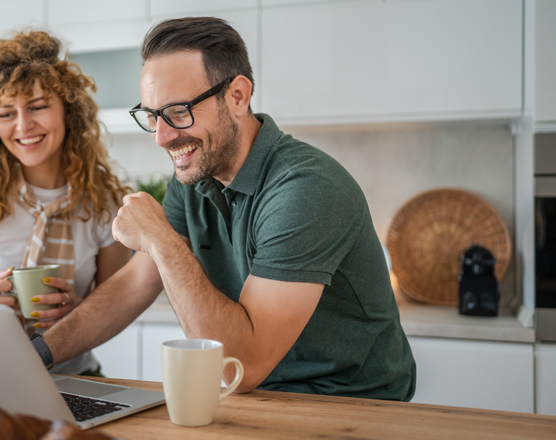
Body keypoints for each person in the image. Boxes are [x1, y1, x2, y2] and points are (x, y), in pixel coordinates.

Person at [40, 17, 416, 400]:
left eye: (178, 111)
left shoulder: (306, 188)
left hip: (353, 405)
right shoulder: (194, 176)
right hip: (259, 400)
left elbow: (243, 365)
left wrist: (161, 238)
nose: (162, 136)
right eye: (152, 116)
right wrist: (38, 354)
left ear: (237, 95)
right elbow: (137, 283)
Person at [0, 31, 131, 376]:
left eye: (37, 107)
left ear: (69, 110)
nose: (23, 126)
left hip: (75, 377)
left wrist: (77, 312)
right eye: (6, 113)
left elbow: (117, 303)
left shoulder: (106, 205)